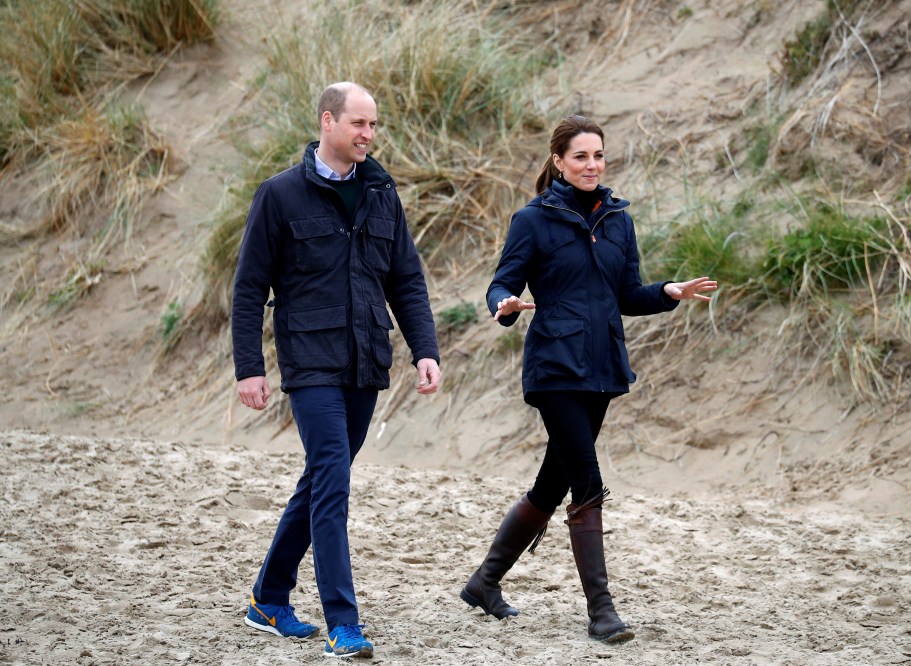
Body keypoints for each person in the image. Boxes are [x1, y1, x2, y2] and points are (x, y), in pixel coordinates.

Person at [459, 115, 716, 643]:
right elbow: (502, 283)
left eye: (598, 155)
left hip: (602, 367)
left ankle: (484, 583)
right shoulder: (532, 220)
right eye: (580, 156)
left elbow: (625, 295)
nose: (592, 165)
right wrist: (503, 307)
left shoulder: (618, 219)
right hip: (554, 367)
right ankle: (602, 612)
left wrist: (667, 291)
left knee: (554, 481)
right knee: (587, 480)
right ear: (558, 161)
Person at [232, 82, 441, 659]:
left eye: (374, 125)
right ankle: (342, 624)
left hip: (365, 360)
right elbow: (250, 286)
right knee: (334, 481)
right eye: (359, 124)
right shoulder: (279, 195)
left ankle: (268, 600)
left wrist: (426, 349)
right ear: (328, 121)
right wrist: (249, 367)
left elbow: (405, 279)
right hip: (309, 362)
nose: (369, 135)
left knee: (323, 479)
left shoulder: (381, 191)